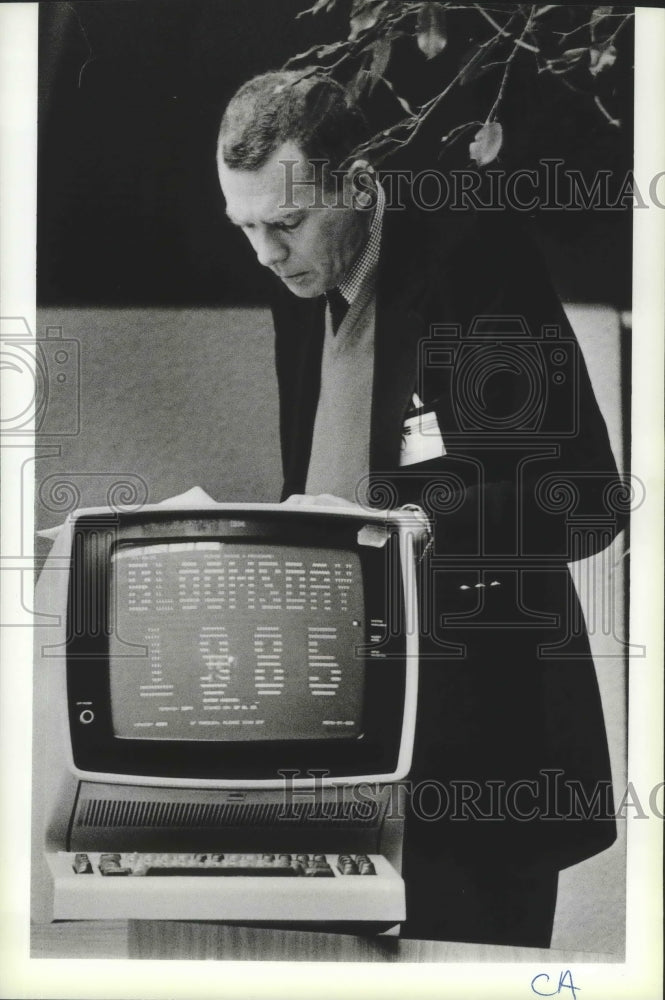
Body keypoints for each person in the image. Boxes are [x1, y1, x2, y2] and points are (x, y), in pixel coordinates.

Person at [216, 70, 625, 947]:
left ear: (359, 187)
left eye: (285, 223)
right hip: (339, 749)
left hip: (477, 756)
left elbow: (588, 497)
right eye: (245, 228)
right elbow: (338, 486)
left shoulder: (470, 262)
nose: (265, 254)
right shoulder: (298, 287)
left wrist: (432, 527)